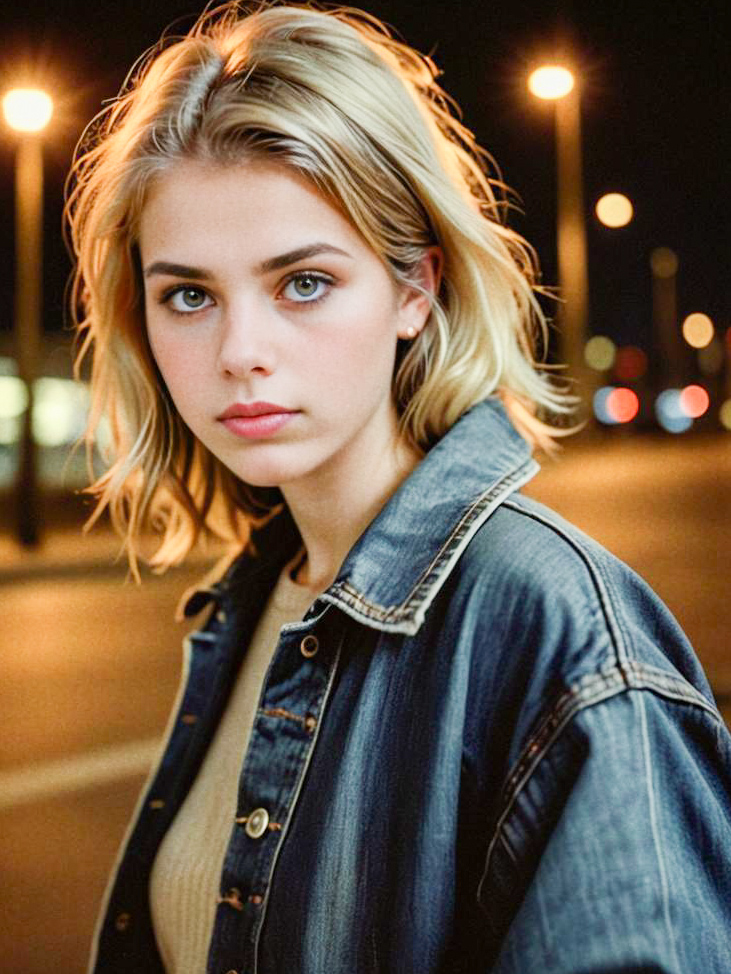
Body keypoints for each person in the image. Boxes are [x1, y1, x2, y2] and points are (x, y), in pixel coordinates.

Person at [65, 2, 731, 972]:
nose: (239, 352)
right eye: (189, 294)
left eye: (301, 282)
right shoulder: (252, 605)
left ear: (413, 289)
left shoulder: (555, 630)